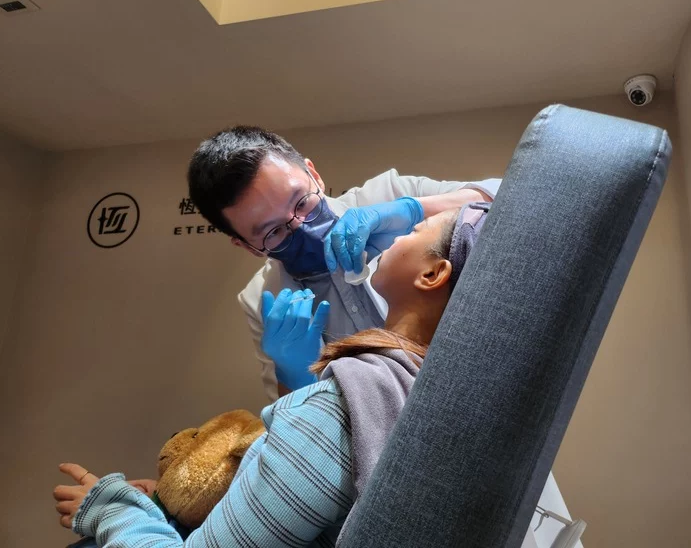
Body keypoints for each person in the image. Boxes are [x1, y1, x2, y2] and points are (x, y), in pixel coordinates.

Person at [54, 204, 488, 547]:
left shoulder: (337, 409)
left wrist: (112, 509)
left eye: (415, 229)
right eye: (270, 230)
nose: (297, 225)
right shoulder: (435, 395)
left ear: (433, 273)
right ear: (243, 242)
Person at [186, 126, 501, 400]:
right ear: (246, 246)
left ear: (314, 174)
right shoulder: (262, 300)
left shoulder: (389, 192)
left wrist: (416, 209)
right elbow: (290, 421)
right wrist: (292, 374)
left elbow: (512, 198)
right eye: (274, 231)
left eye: (302, 202)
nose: (303, 227)